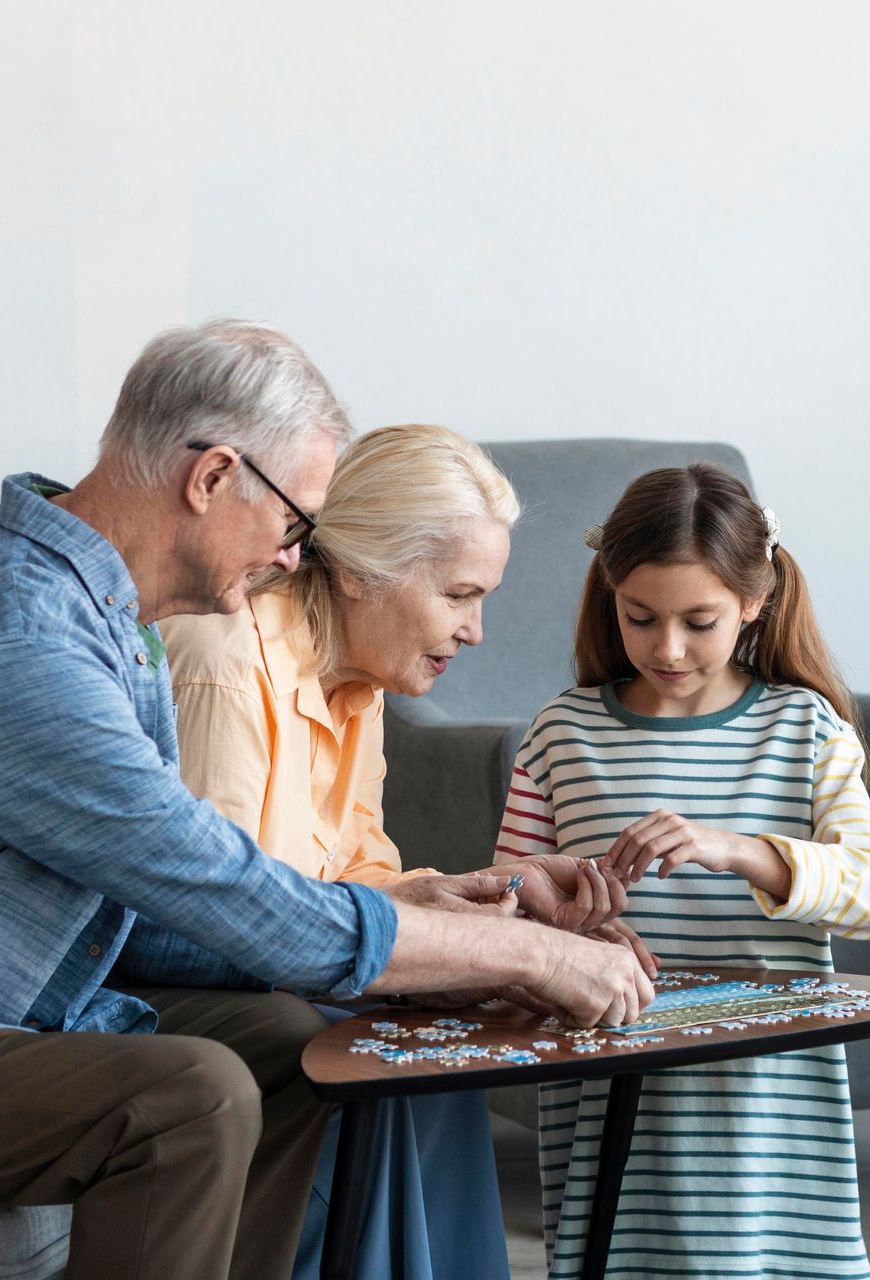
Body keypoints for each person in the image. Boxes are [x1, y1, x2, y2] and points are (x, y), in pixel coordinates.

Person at [0, 320, 653, 1280]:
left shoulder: (105, 622)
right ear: (213, 476)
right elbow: (218, 882)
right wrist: (532, 951)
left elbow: (148, 914)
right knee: (185, 1098)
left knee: (295, 1043)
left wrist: (438, 919)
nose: (297, 557)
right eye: (294, 521)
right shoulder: (16, 640)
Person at [162, 423, 648, 1280]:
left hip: (287, 968)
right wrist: (502, 952)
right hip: (204, 988)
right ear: (357, 570)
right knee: (396, 1047)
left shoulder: (357, 680)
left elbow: (361, 881)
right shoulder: (223, 659)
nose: (477, 631)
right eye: (460, 594)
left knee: (448, 1042)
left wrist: (502, 894)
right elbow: (228, 923)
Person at [493, 463, 870, 1280]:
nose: (667, 648)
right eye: (640, 618)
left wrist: (740, 848)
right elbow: (500, 906)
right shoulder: (559, 734)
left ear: (755, 603)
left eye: (700, 621)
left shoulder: (803, 732)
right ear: (609, 591)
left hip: (766, 1103)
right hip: (608, 1093)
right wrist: (559, 926)